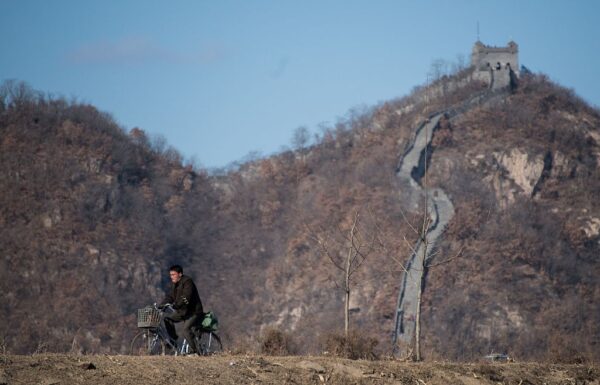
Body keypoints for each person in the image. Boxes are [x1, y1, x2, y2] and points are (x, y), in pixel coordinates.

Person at [160, 265, 204, 355]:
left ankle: (195, 351)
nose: (171, 277)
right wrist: (162, 305)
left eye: (173, 274)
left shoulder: (188, 282)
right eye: (170, 275)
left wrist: (177, 304)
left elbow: (186, 297)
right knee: (167, 320)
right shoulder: (175, 284)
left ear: (180, 274)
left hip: (193, 312)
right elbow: (170, 296)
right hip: (183, 311)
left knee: (185, 330)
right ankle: (173, 340)